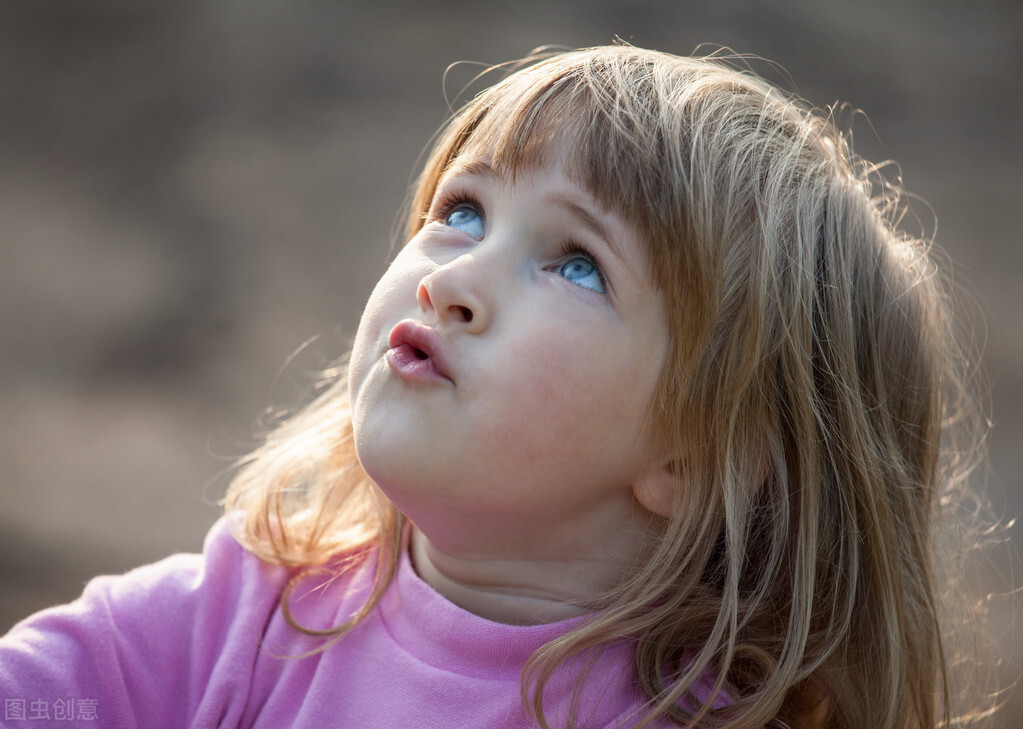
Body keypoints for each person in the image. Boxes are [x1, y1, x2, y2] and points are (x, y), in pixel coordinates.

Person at [0, 44, 996, 729]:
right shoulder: (249, 617)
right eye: (463, 210)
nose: (455, 277)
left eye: (576, 264)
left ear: (694, 459)